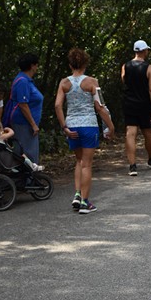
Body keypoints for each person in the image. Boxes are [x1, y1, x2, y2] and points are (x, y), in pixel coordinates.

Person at [55, 47, 115, 214]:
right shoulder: (92, 82)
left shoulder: (64, 83)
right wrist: (110, 126)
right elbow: (100, 106)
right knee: (87, 165)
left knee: (79, 161)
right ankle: (85, 202)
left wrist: (64, 126)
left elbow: (58, 105)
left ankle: (77, 193)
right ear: (85, 63)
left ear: (70, 64)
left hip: (72, 125)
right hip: (89, 125)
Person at [121, 39, 151, 176]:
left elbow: (124, 81)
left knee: (130, 134)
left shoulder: (125, 66)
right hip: (144, 104)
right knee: (147, 132)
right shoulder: (149, 68)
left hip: (129, 103)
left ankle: (132, 166)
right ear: (144, 51)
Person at [9, 53, 44, 164]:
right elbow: (23, 104)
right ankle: (25, 180)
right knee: (27, 154)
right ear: (32, 66)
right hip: (23, 124)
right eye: (36, 65)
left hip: (27, 124)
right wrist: (33, 124)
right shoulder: (22, 81)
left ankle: (30, 179)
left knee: (30, 153)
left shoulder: (27, 81)